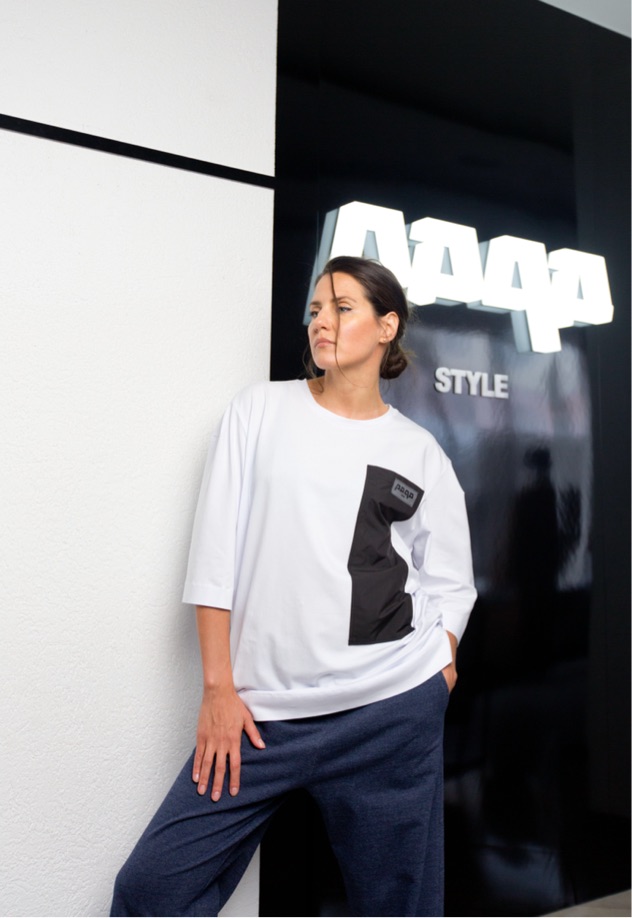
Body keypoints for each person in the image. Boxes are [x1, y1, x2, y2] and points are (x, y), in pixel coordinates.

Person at [111, 256, 476, 917]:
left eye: (342, 307)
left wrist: (439, 664)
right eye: (315, 310)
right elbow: (214, 557)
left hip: (388, 710)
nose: (321, 322)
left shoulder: (419, 450)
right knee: (151, 891)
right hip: (261, 719)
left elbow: (451, 577)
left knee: (399, 908)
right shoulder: (259, 411)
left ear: (386, 326)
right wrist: (219, 689)